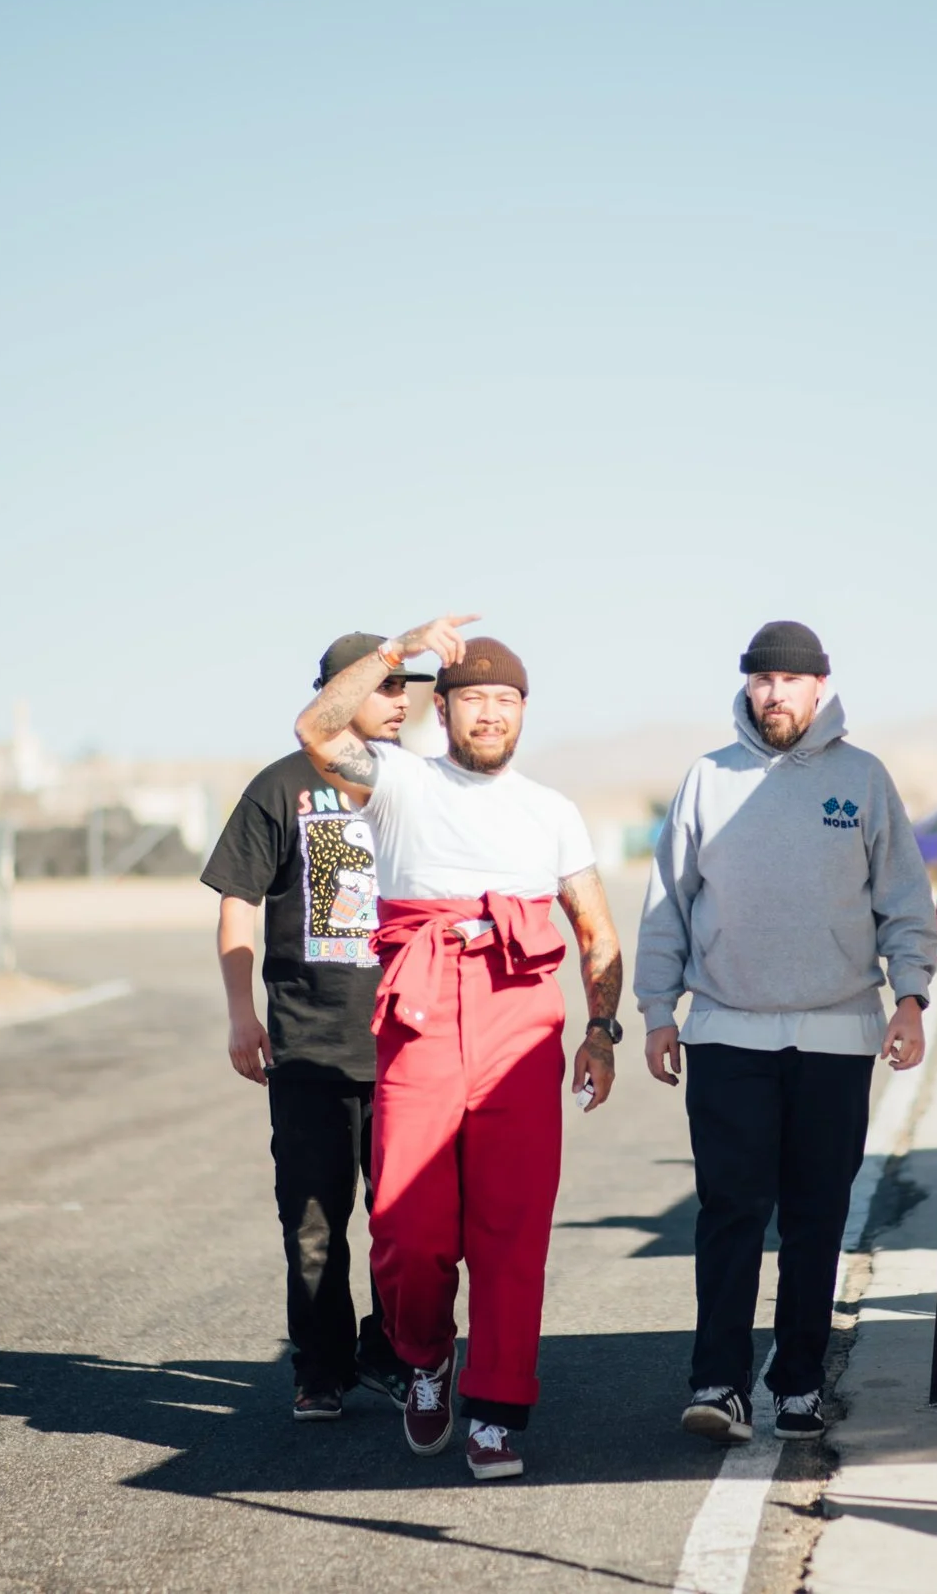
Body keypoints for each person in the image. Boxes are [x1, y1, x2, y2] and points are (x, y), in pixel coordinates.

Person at [294, 615, 623, 1482]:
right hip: (424, 1010)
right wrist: (395, 652)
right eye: (472, 698)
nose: (489, 713)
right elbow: (316, 728)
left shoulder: (553, 811)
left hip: (520, 1016)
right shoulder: (400, 781)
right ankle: (425, 1353)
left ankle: (498, 1413)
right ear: (440, 709)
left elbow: (596, 931)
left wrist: (601, 1030)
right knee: (407, 1226)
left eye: (505, 700)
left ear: (524, 712)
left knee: (513, 1231)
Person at [636, 621, 937, 1445]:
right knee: (730, 1211)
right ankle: (718, 1382)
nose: (774, 693)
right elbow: (667, 903)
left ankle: (799, 1381)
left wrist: (911, 997)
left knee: (816, 1217)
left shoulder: (863, 778)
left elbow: (905, 901)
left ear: (819, 688)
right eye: (761, 679)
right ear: (748, 687)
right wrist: (658, 1010)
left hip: (838, 1034)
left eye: (789, 680)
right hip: (727, 1030)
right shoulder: (707, 778)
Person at [204, 632, 426, 1421]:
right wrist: (241, 1013)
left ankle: (393, 1353)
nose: (401, 700)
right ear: (338, 689)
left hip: (407, 1046)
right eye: (385, 685)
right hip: (308, 1045)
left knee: (406, 1222)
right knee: (313, 1223)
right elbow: (237, 899)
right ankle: (322, 1367)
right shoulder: (280, 786)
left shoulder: (414, 782)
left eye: (407, 688)